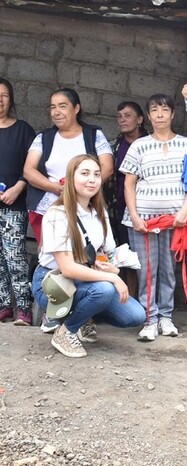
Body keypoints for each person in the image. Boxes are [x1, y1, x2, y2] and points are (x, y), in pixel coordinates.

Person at [32, 155, 144, 358]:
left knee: (135, 315)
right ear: (70, 178)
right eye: (84, 173)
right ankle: (66, 331)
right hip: (54, 282)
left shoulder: (99, 212)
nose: (92, 179)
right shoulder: (57, 214)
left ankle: (85, 317)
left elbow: (105, 252)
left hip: (86, 278)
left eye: (96, 174)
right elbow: (67, 268)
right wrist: (113, 278)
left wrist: (112, 268)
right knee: (104, 289)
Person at [24, 88, 114, 333]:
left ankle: (84, 318)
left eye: (63, 106)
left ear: (76, 108)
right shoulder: (44, 137)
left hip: (84, 206)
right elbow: (29, 170)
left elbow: (106, 167)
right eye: (52, 107)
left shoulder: (94, 135)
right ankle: (52, 310)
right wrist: (57, 188)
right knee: (55, 261)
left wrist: (84, 188)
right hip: (48, 208)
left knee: (85, 259)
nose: (56, 111)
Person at [120, 94, 187, 342]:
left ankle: (166, 317)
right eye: (155, 110)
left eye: (165, 109)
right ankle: (149, 319)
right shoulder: (139, 146)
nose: (160, 114)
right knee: (147, 271)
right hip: (143, 219)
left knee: (168, 269)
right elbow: (129, 184)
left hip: (175, 219)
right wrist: (134, 215)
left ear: (173, 114)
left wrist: (186, 209)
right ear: (149, 116)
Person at [0, 78, 35, 326]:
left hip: (14, 204)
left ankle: (23, 307)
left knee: (15, 258)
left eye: (4, 95)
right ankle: (4, 305)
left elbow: (33, 166)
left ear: (11, 100)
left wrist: (18, 187)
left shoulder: (23, 129)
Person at [109, 101, 148, 246]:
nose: (122, 119)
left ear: (139, 119)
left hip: (145, 205)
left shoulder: (152, 144)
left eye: (127, 116)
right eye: (119, 116)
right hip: (118, 204)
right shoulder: (114, 146)